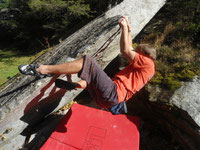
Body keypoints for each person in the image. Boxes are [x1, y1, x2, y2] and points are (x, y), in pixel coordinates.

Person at [18, 16, 156, 114]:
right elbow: (130, 47)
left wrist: (124, 26)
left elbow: (125, 50)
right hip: (106, 101)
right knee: (92, 76)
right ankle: (79, 85)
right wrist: (129, 28)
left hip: (113, 93)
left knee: (87, 62)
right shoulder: (147, 69)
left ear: (144, 54)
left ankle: (43, 69)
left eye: (138, 53)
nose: (134, 55)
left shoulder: (148, 63)